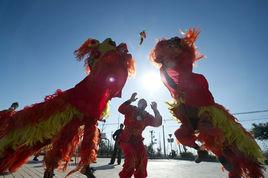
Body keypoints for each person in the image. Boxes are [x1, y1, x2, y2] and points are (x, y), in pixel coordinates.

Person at [0, 38, 135, 178]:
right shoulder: (101, 65)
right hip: (76, 104)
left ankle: (82, 166)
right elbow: (102, 73)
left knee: (82, 135)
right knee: (46, 135)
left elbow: (114, 82)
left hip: (90, 108)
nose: (113, 43)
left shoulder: (113, 66)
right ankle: (50, 169)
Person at [150, 28, 265, 178]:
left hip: (202, 106)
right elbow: (170, 83)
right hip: (187, 110)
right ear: (162, 50)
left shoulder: (183, 60)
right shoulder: (163, 70)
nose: (173, 45)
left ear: (181, 49)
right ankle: (201, 150)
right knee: (180, 134)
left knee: (207, 129)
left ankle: (225, 153)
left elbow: (184, 70)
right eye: (170, 44)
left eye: (177, 44)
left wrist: (180, 59)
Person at [118, 92, 162, 178]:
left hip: (138, 141)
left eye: (144, 104)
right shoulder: (131, 109)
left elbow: (158, 123)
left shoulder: (147, 116)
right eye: (141, 102)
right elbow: (120, 109)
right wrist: (130, 100)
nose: (142, 104)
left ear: (146, 106)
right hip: (125, 139)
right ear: (138, 104)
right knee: (130, 160)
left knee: (143, 158)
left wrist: (155, 109)